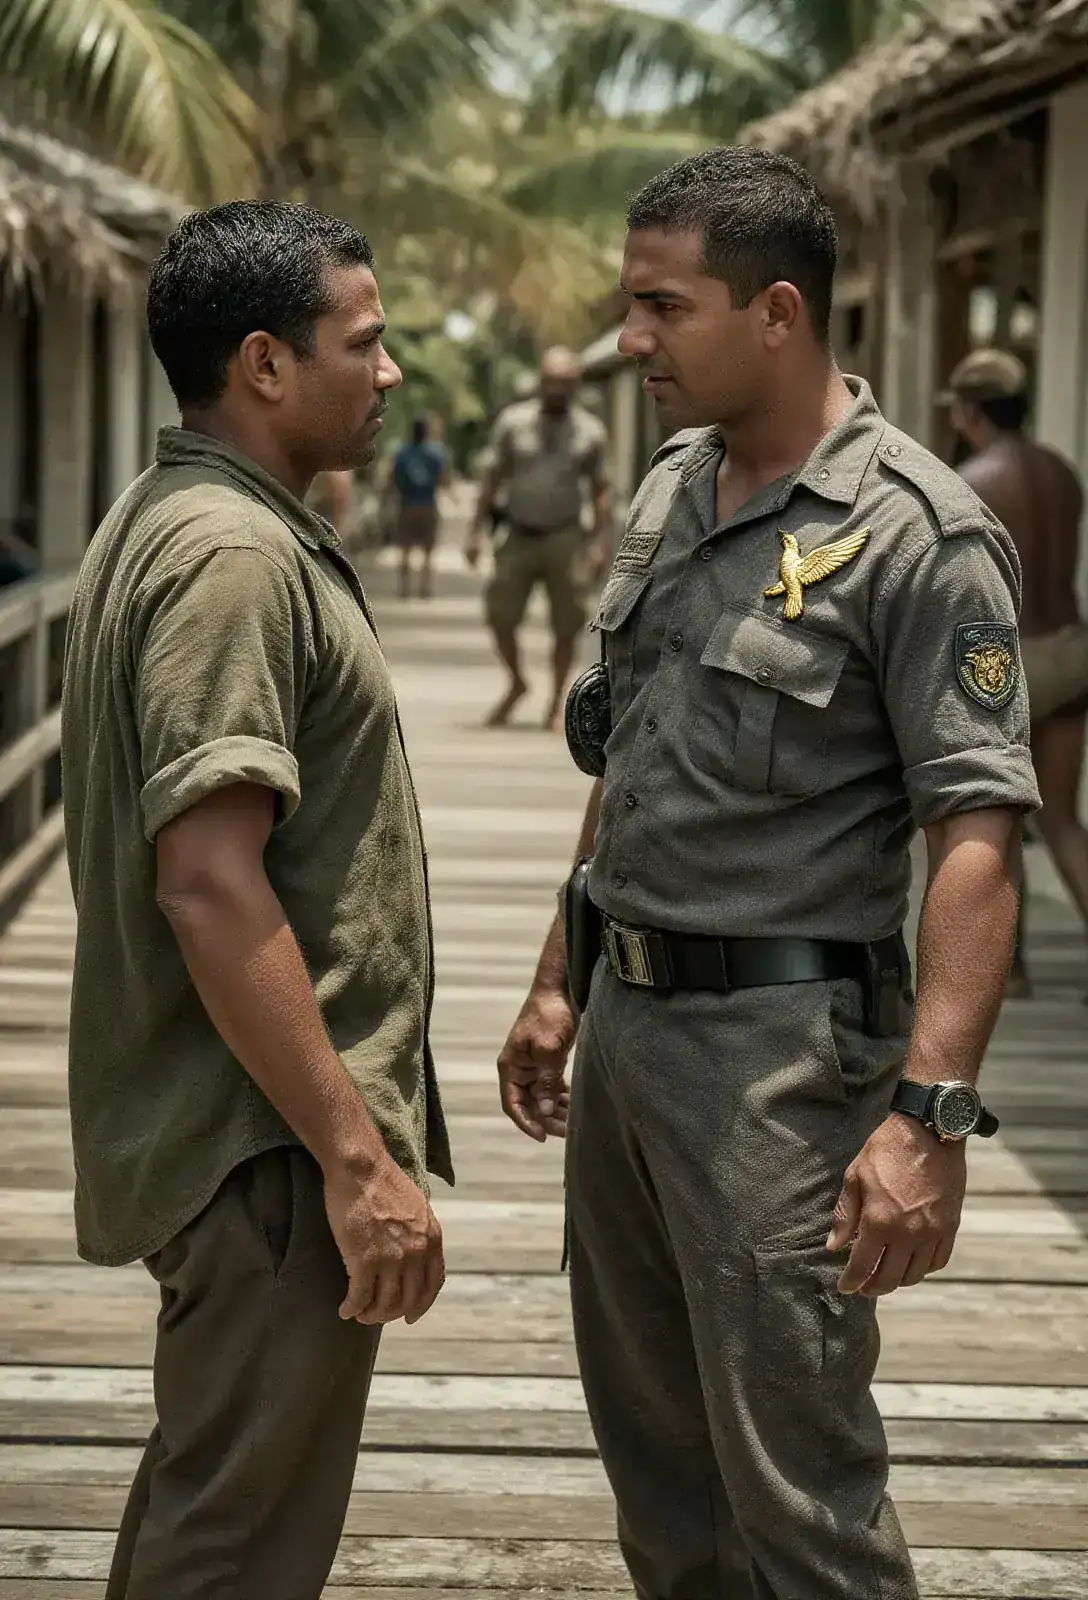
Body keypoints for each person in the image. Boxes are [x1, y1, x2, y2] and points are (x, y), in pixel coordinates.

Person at [497, 148, 1039, 1599]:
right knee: (662, 1482)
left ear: (778, 311)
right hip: (628, 1032)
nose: (630, 342)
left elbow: (979, 834)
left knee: (799, 1493)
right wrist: (560, 975)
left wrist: (928, 1120)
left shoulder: (921, 539)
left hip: (780, 1074)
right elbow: (635, 746)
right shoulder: (675, 488)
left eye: (662, 308)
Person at [60, 200, 453, 1600]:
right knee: (235, 1554)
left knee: (209, 1513)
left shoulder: (191, 518)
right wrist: (357, 1164)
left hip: (253, 1138)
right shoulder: (232, 557)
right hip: (269, 1150)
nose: (391, 370)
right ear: (265, 364)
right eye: (367, 339)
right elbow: (212, 884)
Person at [945, 347, 1088, 997]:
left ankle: (1015, 968)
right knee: (1060, 818)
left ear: (970, 411)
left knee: (999, 814)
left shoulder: (971, 479)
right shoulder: (1062, 471)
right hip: (1070, 645)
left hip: (1011, 655)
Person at [465, 347, 613, 730]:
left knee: (567, 622)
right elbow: (492, 477)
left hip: (564, 536)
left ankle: (555, 701)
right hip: (518, 533)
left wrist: (600, 541)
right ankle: (517, 681)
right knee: (499, 614)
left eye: (565, 383)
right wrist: (475, 531)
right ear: (540, 381)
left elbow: (601, 489)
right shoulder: (514, 423)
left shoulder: (590, 431)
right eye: (551, 382)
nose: (557, 390)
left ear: (576, 385)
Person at [388, 415, 447, 599]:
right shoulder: (435, 453)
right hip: (428, 504)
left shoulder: (403, 453)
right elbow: (442, 479)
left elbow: (393, 479)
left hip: (407, 505)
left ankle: (404, 588)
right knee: (428, 550)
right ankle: (425, 588)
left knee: (405, 548)